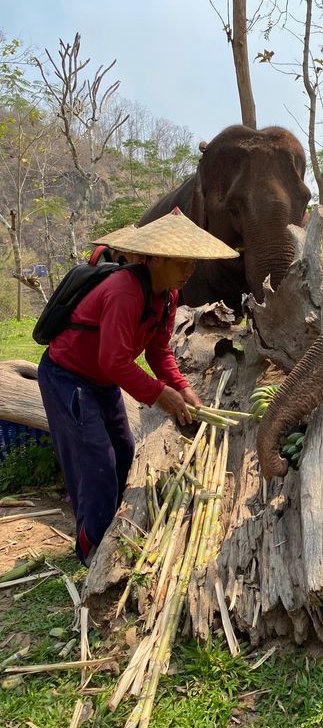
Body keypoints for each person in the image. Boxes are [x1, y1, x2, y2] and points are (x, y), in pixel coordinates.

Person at [37, 210, 239, 566]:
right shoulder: (124, 292)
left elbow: (158, 351)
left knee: (124, 452)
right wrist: (163, 396)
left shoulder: (168, 297)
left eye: (194, 261)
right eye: (183, 261)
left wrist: (183, 388)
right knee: (97, 462)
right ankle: (93, 553)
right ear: (156, 257)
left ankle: (113, 531)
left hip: (101, 381)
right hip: (68, 377)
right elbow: (113, 360)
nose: (190, 270)